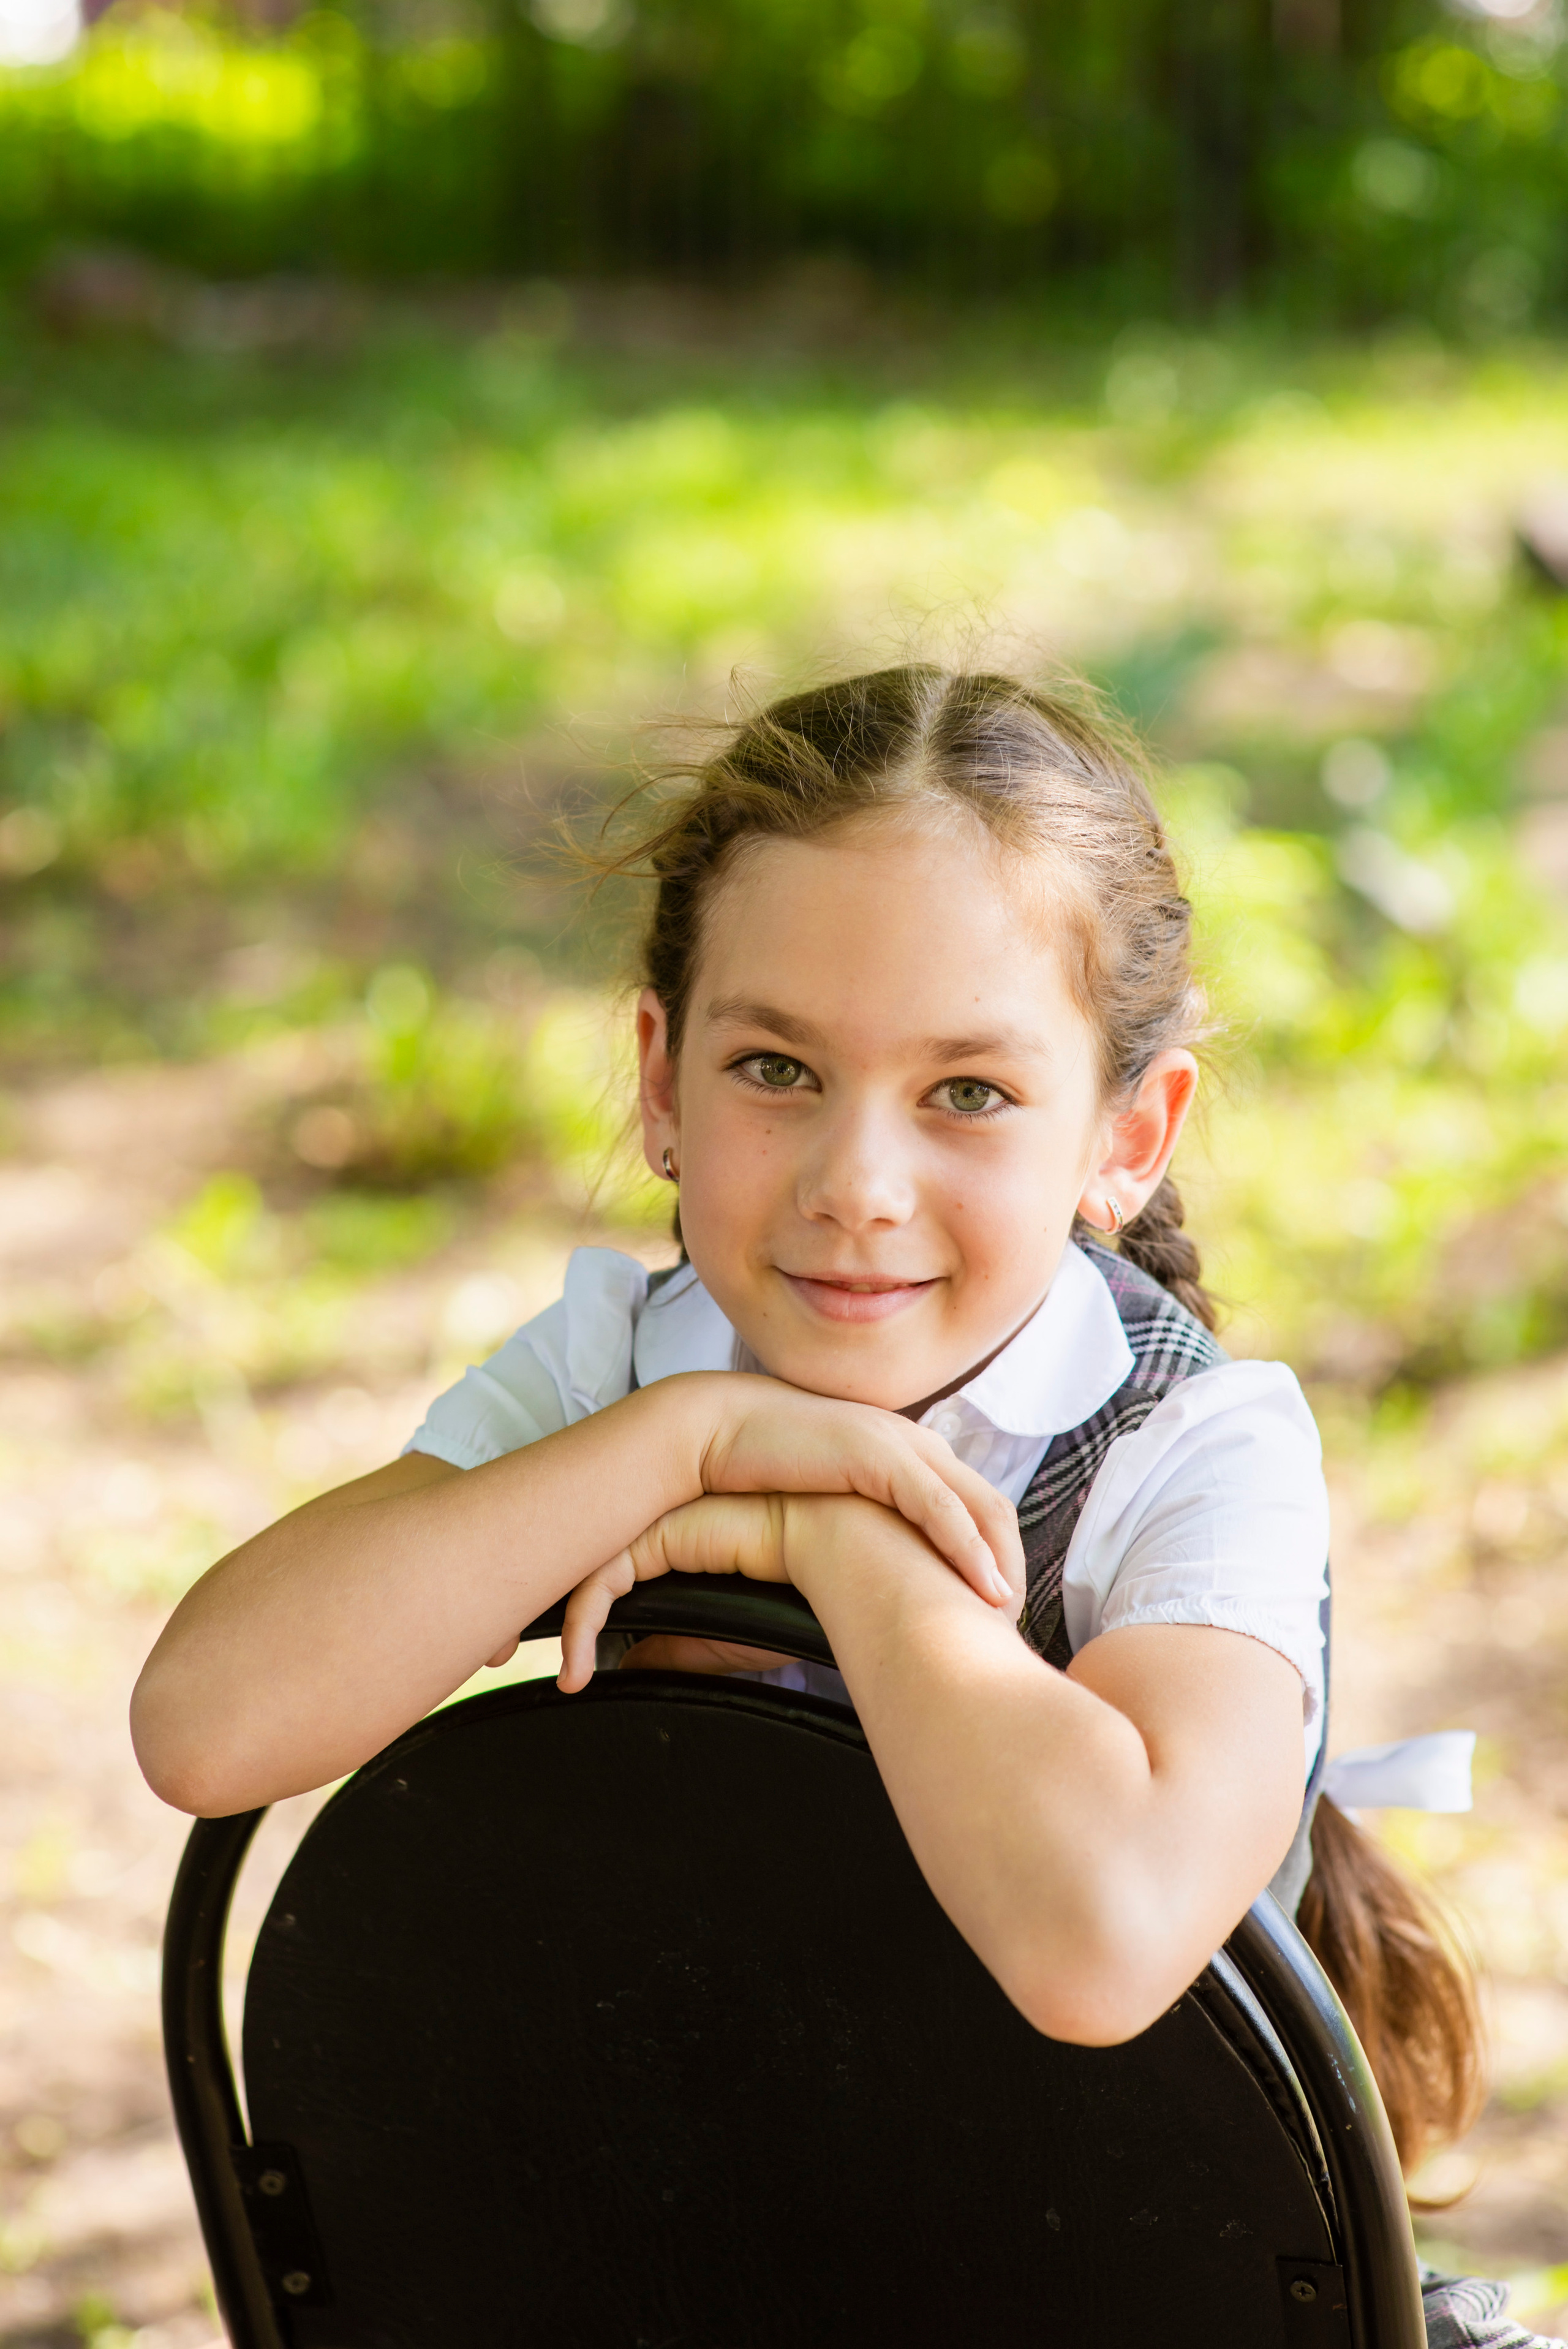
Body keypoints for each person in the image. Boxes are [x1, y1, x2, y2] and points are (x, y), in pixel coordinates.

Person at [132, 666, 1545, 2348]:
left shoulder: (1195, 1449)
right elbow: (205, 1727)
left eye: (968, 1092)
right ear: (661, 1078)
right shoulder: (625, 1377)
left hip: (1122, 2274)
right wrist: (686, 1440)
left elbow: (1104, 1942)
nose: (856, 1183)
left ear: (1127, 1131)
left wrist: (830, 1533)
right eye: (776, 1068)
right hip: (671, 2246)